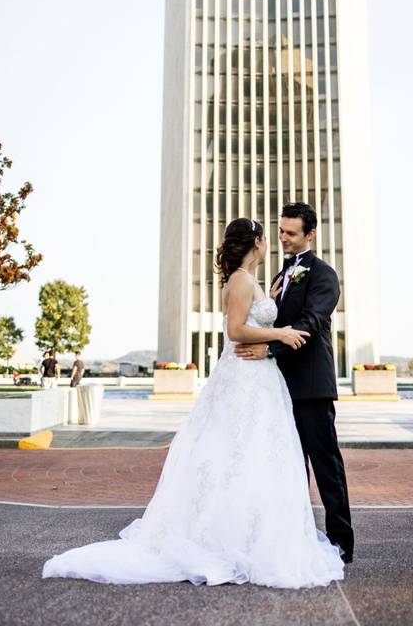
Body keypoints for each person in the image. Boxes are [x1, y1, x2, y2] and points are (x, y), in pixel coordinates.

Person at [43, 217, 344, 588]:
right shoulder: (240, 279)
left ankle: (252, 534)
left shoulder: (261, 280)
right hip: (245, 375)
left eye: (288, 233)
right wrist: (279, 331)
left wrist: (274, 307)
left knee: (257, 456)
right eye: (272, 236)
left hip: (263, 378)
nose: (276, 241)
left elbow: (275, 316)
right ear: (256, 243)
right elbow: (236, 331)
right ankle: (234, 539)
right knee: (240, 453)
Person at [235, 202, 355, 563]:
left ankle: (341, 542)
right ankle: (297, 537)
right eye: (281, 232)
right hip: (278, 388)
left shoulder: (324, 275)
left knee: (325, 465)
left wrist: (269, 350)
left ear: (310, 235)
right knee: (289, 466)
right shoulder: (279, 275)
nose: (283, 238)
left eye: (291, 233)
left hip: (312, 386)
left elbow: (310, 322)